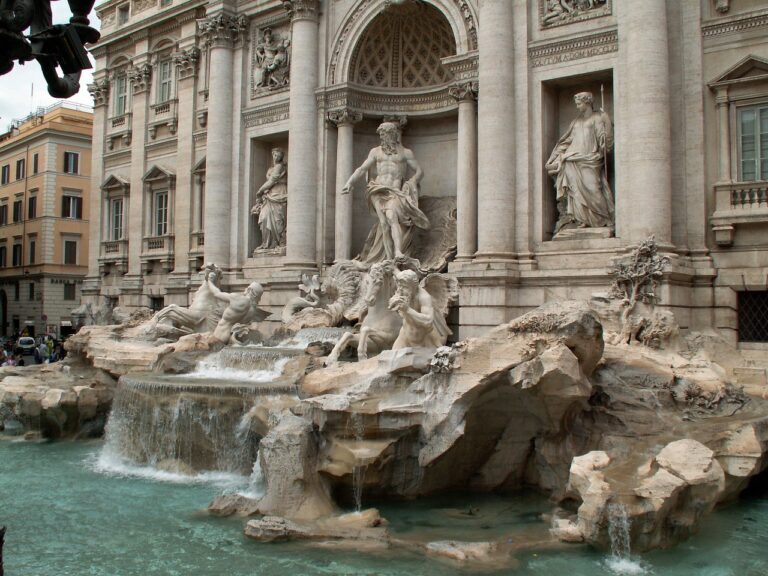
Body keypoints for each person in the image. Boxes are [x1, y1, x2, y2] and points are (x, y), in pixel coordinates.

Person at [341, 121, 430, 262]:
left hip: (394, 191)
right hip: (377, 189)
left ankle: (398, 251)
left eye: (385, 135)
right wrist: (350, 182)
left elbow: (420, 171)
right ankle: (388, 259)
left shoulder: (405, 153)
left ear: (393, 134)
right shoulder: (375, 152)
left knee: (392, 216)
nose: (383, 138)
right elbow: (362, 169)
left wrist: (412, 181)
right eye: (381, 135)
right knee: (383, 223)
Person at [545, 91, 614, 234]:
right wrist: (554, 158)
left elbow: (604, 140)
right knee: (575, 192)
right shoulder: (575, 122)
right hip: (572, 160)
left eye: (579, 103)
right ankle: (582, 220)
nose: (577, 106)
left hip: (590, 159)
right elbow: (566, 142)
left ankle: (603, 219)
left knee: (593, 187)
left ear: (587, 102)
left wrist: (606, 123)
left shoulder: (598, 117)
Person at [206, 279, 268, 345]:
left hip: (219, 336)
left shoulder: (238, 298)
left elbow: (217, 293)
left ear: (250, 290)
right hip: (231, 338)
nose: (245, 288)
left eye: (247, 287)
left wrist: (209, 281)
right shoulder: (252, 311)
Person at [251, 148, 288, 250]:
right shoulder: (271, 168)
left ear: (281, 157)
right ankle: (266, 243)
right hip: (270, 195)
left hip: (279, 193)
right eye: (274, 155)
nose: (276, 157)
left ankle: (279, 242)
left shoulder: (279, 167)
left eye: (278, 156)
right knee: (264, 217)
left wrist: (260, 190)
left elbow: (272, 180)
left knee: (278, 220)